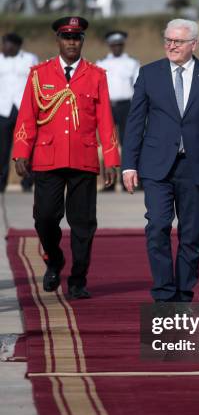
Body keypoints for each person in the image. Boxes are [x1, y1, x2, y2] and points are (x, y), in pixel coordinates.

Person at [122, 18, 199, 303]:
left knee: (192, 233)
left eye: (178, 41)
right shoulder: (150, 74)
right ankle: (163, 292)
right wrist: (129, 165)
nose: (171, 45)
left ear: (193, 44)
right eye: (168, 40)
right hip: (156, 166)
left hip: (195, 166)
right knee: (157, 225)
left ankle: (183, 293)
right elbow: (135, 123)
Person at [13, 16, 120, 299]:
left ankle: (78, 278)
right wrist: (21, 151)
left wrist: (111, 159)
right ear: (58, 40)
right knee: (45, 217)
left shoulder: (96, 75)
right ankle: (55, 258)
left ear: (82, 41)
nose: (71, 42)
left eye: (76, 38)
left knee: (83, 224)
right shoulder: (39, 74)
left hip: (83, 158)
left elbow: (106, 121)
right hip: (48, 157)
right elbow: (27, 116)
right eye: (66, 37)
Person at [96, 31, 140, 190]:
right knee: (108, 143)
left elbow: (138, 86)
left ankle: (129, 180)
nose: (116, 48)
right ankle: (109, 181)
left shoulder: (132, 62)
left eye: (119, 45)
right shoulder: (101, 63)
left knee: (129, 143)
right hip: (107, 105)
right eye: (113, 45)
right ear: (109, 46)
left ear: (123, 45)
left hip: (127, 106)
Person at [0, 33, 38, 192]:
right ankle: (1, 183)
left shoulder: (30, 59)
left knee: (28, 146)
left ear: (16, 45)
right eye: (4, 44)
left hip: (25, 108)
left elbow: (37, 80)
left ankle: (27, 182)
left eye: (8, 44)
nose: (5, 47)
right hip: (3, 108)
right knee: (2, 148)